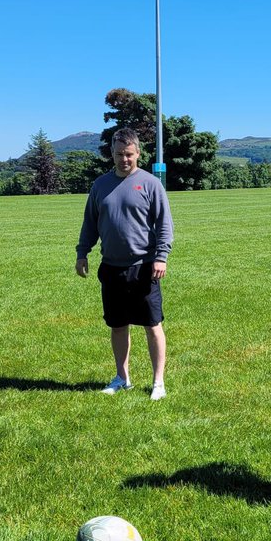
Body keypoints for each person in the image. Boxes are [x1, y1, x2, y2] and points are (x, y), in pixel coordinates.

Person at [75, 128, 174, 399]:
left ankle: (158, 383)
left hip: (144, 266)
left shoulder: (151, 184)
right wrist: (82, 252)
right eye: (119, 154)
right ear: (112, 153)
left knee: (152, 325)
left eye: (129, 154)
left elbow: (164, 224)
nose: (124, 159)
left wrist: (161, 256)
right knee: (118, 325)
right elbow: (90, 223)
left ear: (138, 153)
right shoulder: (100, 185)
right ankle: (122, 377)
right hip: (111, 267)